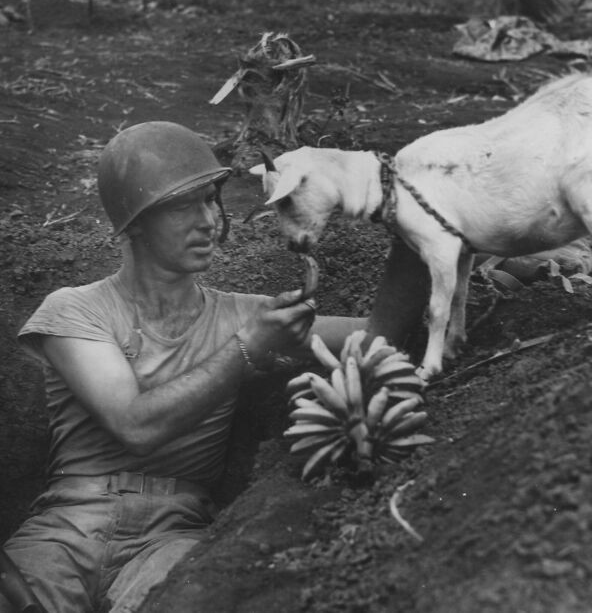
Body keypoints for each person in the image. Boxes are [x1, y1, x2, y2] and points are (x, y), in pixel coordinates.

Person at [0, 121, 369, 613]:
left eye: (211, 200)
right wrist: (247, 350)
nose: (209, 221)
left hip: (174, 537)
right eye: (181, 206)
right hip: (65, 530)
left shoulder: (249, 316)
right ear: (133, 224)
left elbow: (380, 332)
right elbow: (135, 425)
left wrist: (420, 225)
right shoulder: (75, 309)